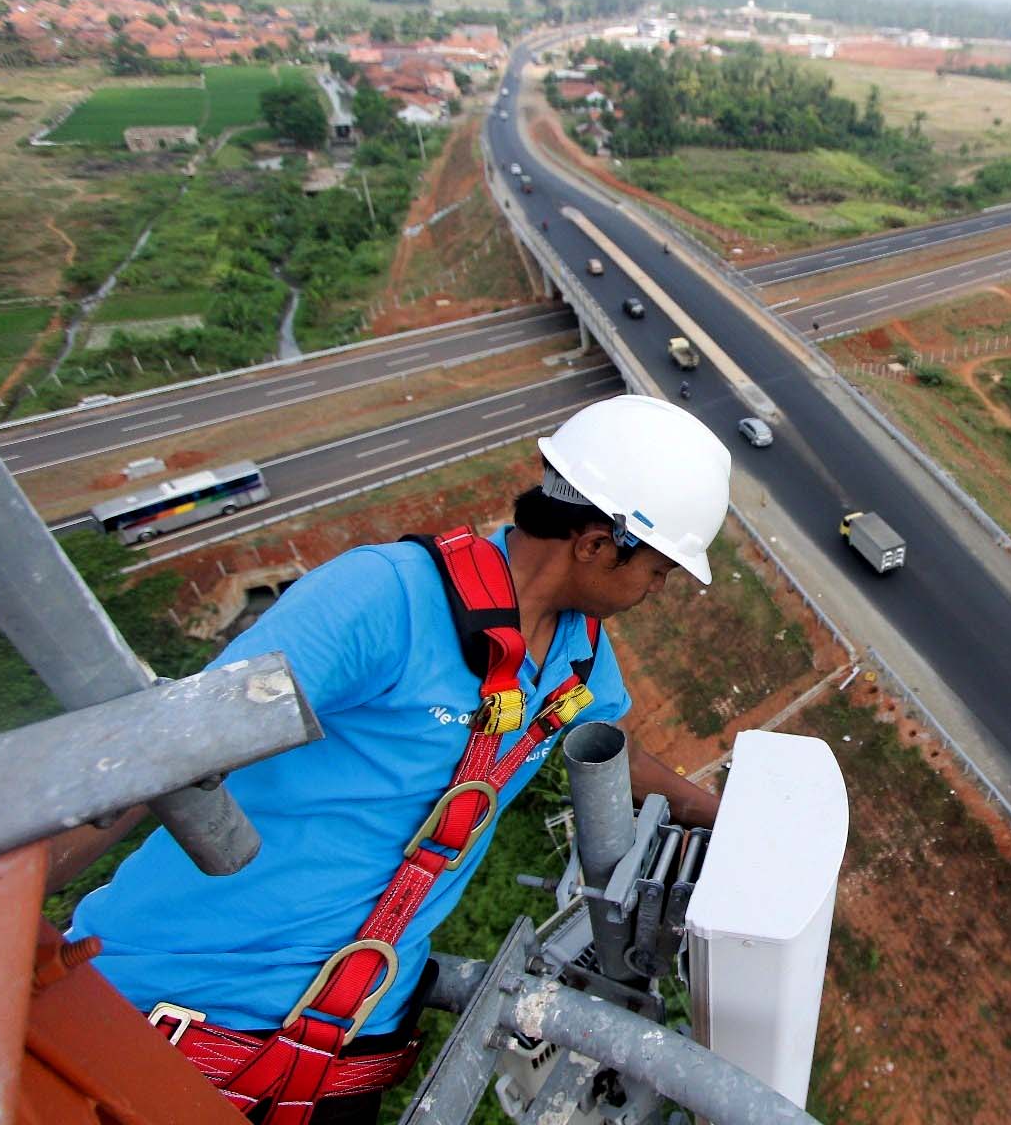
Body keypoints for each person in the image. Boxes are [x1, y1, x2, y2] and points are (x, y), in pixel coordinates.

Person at [69, 395, 731, 1124]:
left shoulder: (579, 657)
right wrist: (5, 928)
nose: (657, 589)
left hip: (346, 1048)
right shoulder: (386, 599)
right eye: (659, 570)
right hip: (171, 1018)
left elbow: (614, 753)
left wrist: (722, 815)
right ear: (599, 543)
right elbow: (161, 751)